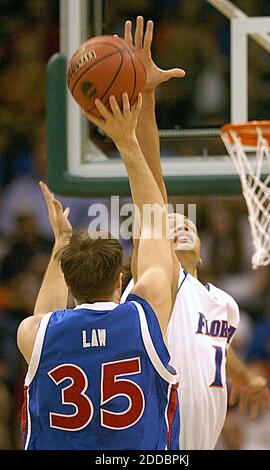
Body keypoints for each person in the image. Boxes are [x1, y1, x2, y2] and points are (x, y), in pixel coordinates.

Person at [118, 16, 270, 450]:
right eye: (168, 225)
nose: (178, 225)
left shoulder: (220, 303)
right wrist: (146, 94)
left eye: (186, 224)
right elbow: (152, 174)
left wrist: (248, 379)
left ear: (202, 255)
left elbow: (217, 347)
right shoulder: (159, 285)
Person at [17, 94, 179, 450]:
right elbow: (154, 224)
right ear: (120, 280)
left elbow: (45, 314)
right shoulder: (145, 316)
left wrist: (62, 239)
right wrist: (126, 142)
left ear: (71, 285)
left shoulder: (36, 334)